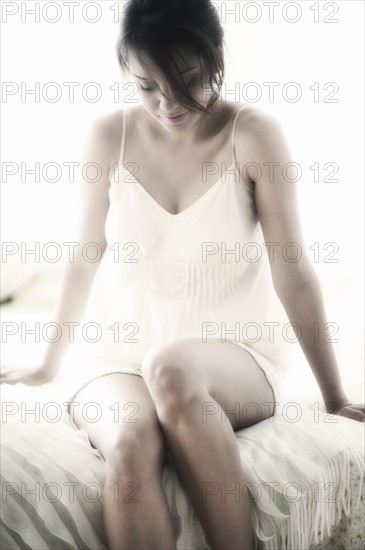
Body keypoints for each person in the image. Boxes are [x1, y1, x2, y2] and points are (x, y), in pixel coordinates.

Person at [1, 1, 364, 549]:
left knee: (170, 367)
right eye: (147, 86)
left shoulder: (253, 134)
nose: (167, 102)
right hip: (115, 358)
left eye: (186, 79)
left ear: (216, 56)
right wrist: (49, 363)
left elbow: (293, 270)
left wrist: (333, 395)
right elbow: (84, 256)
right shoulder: (108, 138)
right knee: (127, 444)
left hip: (236, 359)